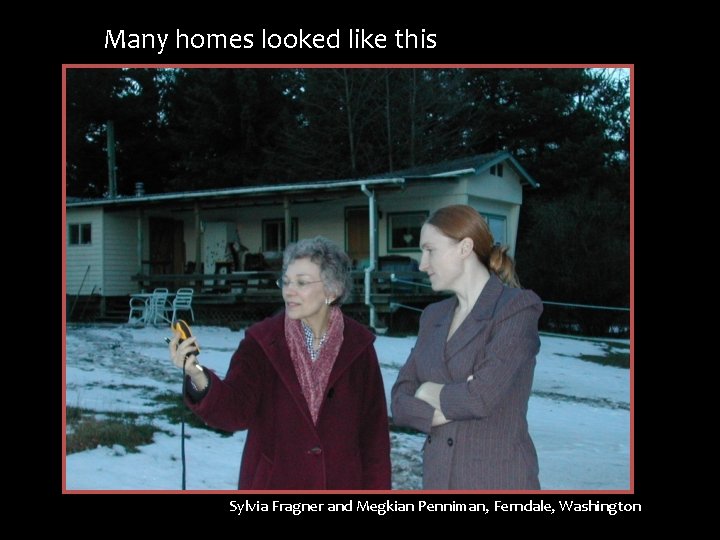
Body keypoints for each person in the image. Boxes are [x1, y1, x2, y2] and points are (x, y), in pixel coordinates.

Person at [169, 236, 391, 489]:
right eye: (285, 281)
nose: (289, 290)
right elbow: (234, 412)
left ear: (333, 290)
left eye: (301, 283)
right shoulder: (261, 343)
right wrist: (197, 374)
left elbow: (374, 441)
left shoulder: (359, 347)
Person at [391, 205, 543, 490]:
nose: (422, 264)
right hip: (438, 480)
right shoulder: (433, 316)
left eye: (430, 250)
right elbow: (399, 400)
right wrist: (448, 400)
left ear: (465, 248)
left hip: (496, 481)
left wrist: (427, 391)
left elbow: (481, 397)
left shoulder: (516, 308)